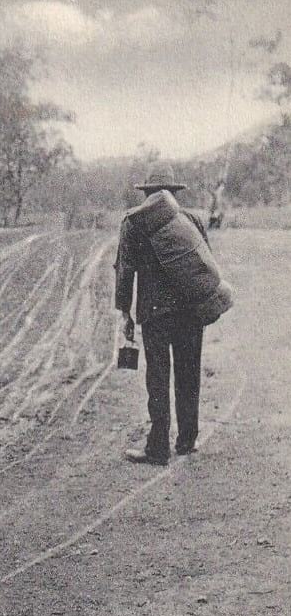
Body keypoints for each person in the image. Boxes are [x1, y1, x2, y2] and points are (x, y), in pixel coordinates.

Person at [116, 164, 209, 465]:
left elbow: (125, 270)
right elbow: (205, 263)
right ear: (173, 192)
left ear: (147, 194)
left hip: (154, 311)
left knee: (157, 377)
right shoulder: (191, 218)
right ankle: (187, 440)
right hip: (191, 311)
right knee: (189, 373)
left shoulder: (133, 222)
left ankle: (157, 447)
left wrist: (124, 313)